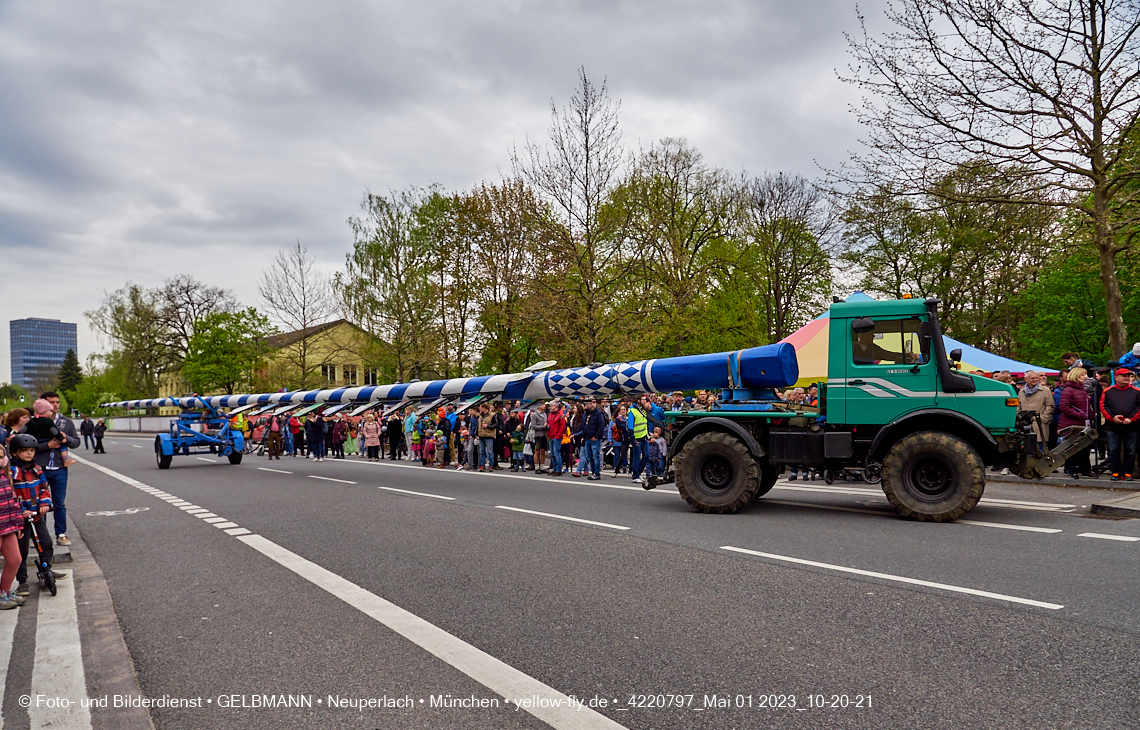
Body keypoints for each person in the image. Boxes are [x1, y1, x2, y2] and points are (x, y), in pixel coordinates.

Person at [8, 434, 64, 598]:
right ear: (15, 453)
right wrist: (20, 510)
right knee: (21, 550)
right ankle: (22, 581)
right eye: (24, 451)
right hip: (20, 519)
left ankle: (46, 570)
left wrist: (44, 504)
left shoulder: (37, 469)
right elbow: (8, 495)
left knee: (46, 543)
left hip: (36, 515)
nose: (29, 453)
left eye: (31, 450)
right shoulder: (11, 472)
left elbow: (44, 488)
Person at [34, 392, 78, 547]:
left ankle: (61, 533)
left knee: (59, 502)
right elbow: (27, 446)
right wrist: (48, 446)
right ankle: (42, 536)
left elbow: (76, 442)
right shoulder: (36, 423)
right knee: (41, 503)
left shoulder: (66, 422)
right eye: (51, 402)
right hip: (40, 468)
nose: (55, 405)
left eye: (57, 402)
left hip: (59, 468)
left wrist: (67, 439)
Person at [1099, 368, 1140, 481]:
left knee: (1130, 450)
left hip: (1131, 425)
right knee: (1113, 450)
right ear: (1116, 377)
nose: (1126, 377)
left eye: (1128, 375)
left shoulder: (1136, 391)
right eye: (1123, 375)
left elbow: (1139, 407)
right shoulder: (1108, 391)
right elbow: (1103, 406)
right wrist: (1112, 418)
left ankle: (1128, 472)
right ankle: (1116, 472)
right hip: (1113, 425)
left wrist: (1131, 419)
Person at [0, 443, 26, 609]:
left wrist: (18, 525)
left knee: (15, 559)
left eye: (1, 456)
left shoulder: (5, 478)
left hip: (8, 526)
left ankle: (5, 591)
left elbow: (14, 503)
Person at [1058, 368, 1093, 478]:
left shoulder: (1082, 390)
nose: (1086, 377)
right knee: (1072, 448)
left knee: (1084, 447)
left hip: (1083, 423)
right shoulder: (1068, 390)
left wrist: (1091, 414)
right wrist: (1079, 415)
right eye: (1083, 375)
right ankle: (1072, 470)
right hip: (1071, 424)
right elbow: (1064, 407)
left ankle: (1085, 470)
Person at [22, 399, 75, 468]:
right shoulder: (48, 421)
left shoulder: (32, 420)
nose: (51, 413)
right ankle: (66, 460)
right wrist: (61, 438)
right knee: (62, 446)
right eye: (50, 411)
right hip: (48, 438)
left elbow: (24, 429)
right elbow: (54, 430)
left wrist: (18, 434)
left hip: (36, 440)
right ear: (44, 411)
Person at [1017, 371, 1055, 455]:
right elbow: (1018, 406)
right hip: (1025, 425)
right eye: (1032, 378)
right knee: (1027, 449)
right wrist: (1019, 418)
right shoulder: (1021, 392)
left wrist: (1044, 419)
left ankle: (1042, 467)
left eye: (1036, 378)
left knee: (1041, 448)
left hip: (1039, 423)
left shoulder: (1045, 390)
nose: (1035, 380)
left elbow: (1050, 406)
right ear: (1026, 379)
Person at [580, 398, 607, 480]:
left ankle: (597, 472)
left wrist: (596, 436)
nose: (591, 405)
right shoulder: (587, 414)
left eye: (593, 403)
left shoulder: (599, 414)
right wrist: (583, 436)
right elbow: (584, 426)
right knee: (589, 456)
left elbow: (601, 426)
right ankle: (593, 472)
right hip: (587, 438)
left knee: (596, 456)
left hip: (595, 439)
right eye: (590, 403)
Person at [627, 397, 651, 484]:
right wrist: (633, 440)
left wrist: (648, 434)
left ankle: (638, 473)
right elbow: (630, 427)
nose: (645, 401)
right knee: (636, 458)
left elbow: (645, 423)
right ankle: (635, 475)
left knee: (646, 456)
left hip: (644, 437)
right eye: (643, 399)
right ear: (638, 400)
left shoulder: (642, 410)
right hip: (637, 438)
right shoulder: (632, 411)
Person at [546, 401, 567, 476]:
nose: (549, 408)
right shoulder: (550, 414)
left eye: (551, 406)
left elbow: (562, 426)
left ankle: (558, 469)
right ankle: (554, 468)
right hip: (551, 435)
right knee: (552, 454)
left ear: (555, 406)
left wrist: (558, 435)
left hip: (556, 436)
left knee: (556, 453)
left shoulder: (560, 415)